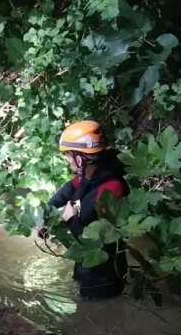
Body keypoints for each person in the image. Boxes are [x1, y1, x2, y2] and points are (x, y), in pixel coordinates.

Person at [38, 120, 130, 300]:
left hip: (103, 275)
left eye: (67, 155)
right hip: (85, 263)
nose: (66, 159)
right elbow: (64, 193)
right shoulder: (87, 176)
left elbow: (93, 240)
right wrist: (44, 217)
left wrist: (71, 219)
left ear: (80, 159)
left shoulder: (111, 189)